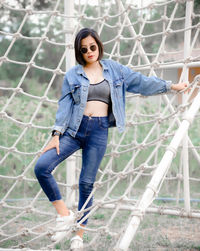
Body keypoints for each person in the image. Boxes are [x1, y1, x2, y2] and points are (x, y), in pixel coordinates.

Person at [34, 28, 188, 250]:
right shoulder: (72, 75)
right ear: (79, 51)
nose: (89, 52)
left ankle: (79, 234)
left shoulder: (115, 70)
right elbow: (64, 107)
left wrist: (171, 86)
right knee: (41, 167)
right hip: (73, 131)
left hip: (98, 131)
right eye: (84, 49)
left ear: (98, 45)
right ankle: (64, 216)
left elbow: (142, 82)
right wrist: (56, 135)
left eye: (92, 47)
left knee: (86, 183)